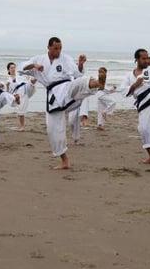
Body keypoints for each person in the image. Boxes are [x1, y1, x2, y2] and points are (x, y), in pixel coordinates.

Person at [21, 37, 104, 170]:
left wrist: (81, 64)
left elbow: (77, 73)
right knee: (52, 130)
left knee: (79, 84)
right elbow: (23, 67)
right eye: (55, 48)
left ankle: (98, 83)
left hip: (66, 87)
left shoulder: (66, 59)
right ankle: (64, 160)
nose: (58, 51)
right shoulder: (38, 59)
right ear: (48, 47)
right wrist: (35, 66)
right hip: (53, 97)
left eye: (60, 48)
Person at [6, 62, 37, 131]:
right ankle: (22, 126)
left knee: (32, 82)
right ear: (8, 70)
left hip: (26, 88)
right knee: (20, 111)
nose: (13, 69)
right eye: (11, 68)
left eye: (14, 67)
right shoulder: (8, 80)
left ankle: (37, 75)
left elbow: (26, 76)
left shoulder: (19, 74)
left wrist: (28, 77)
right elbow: (9, 92)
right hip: (18, 95)